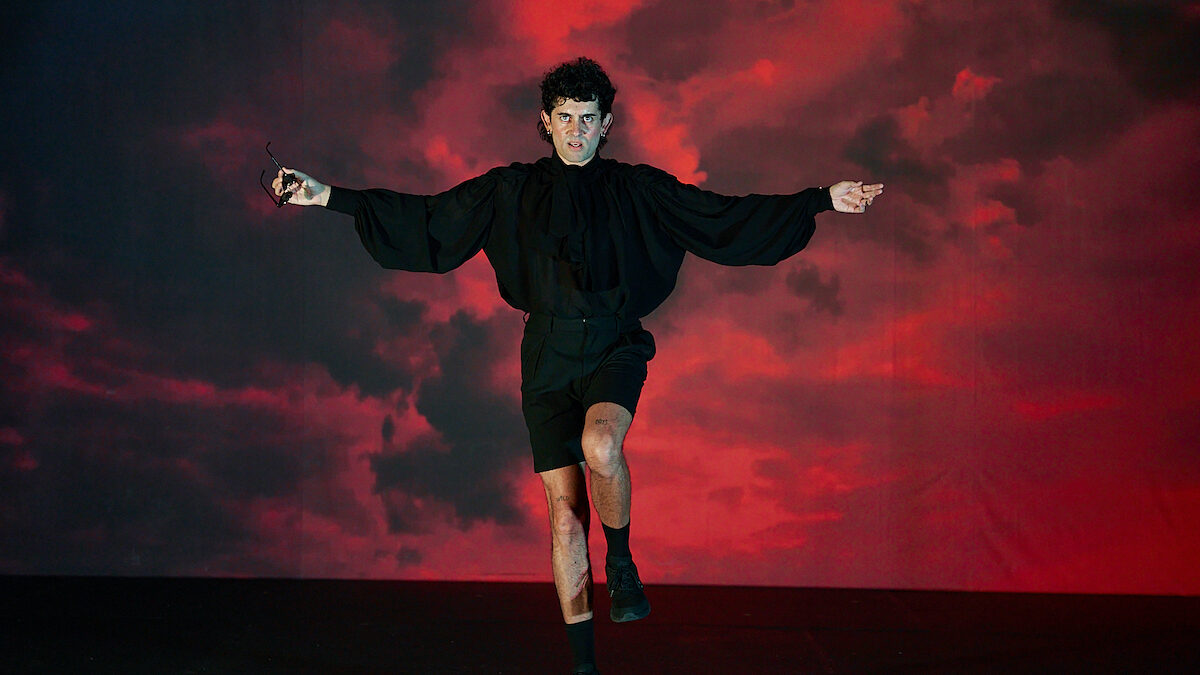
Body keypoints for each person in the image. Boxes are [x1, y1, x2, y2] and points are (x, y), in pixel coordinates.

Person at [274, 56, 882, 675]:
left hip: (615, 343)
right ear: (546, 121)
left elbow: (719, 216)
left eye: (588, 118)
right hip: (546, 354)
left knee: (601, 445)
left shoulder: (638, 188)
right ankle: (584, 668)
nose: (576, 131)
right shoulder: (510, 189)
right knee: (565, 523)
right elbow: (430, 217)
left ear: (606, 123)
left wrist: (821, 201)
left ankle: (620, 560)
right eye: (564, 118)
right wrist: (325, 196)